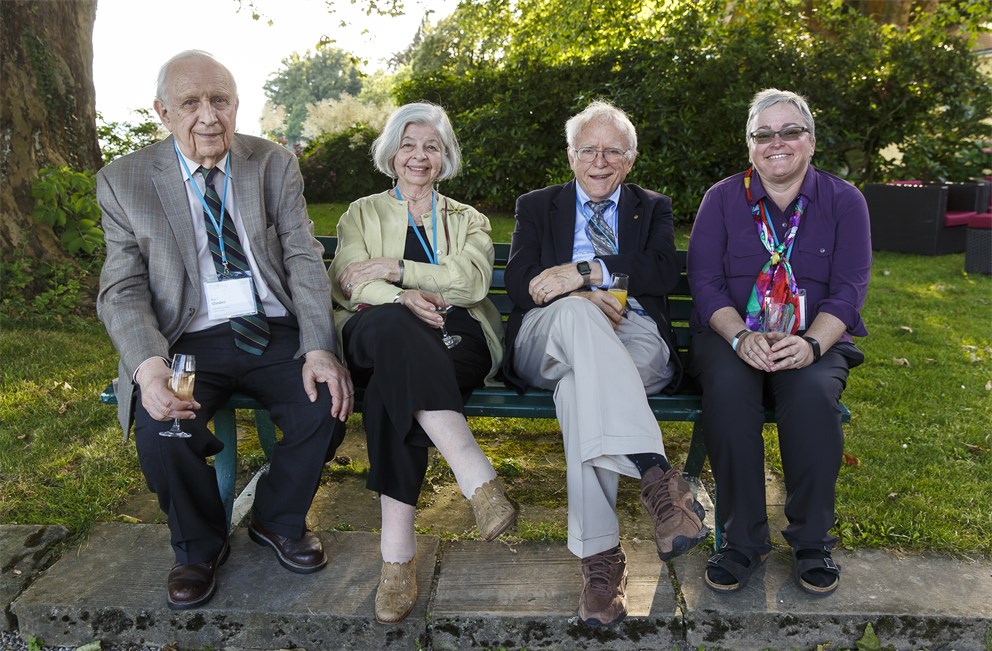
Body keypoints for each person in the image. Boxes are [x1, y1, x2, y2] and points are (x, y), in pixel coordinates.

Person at [96, 50, 354, 611]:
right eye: (191, 103)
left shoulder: (272, 163)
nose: (209, 116)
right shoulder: (124, 181)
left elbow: (303, 258)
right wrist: (148, 365)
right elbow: (123, 290)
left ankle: (276, 518)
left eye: (221, 100)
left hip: (271, 326)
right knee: (165, 426)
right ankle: (197, 546)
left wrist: (317, 346)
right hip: (185, 340)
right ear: (163, 113)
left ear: (237, 104)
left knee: (325, 403)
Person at [502, 100, 708, 628]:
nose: (599, 160)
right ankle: (655, 474)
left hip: (634, 335)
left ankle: (601, 563)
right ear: (571, 157)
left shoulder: (652, 206)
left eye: (612, 151)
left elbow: (661, 270)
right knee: (576, 317)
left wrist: (585, 271)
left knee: (580, 393)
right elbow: (520, 277)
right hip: (549, 335)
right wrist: (574, 297)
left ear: (630, 160)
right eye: (588, 149)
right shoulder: (537, 204)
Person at [328, 102, 516, 624]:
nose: (419, 155)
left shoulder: (467, 219)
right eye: (408, 144)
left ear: (445, 157)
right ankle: (477, 477)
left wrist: (397, 268)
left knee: (398, 387)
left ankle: (397, 560)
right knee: (397, 331)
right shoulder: (360, 214)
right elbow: (348, 280)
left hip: (459, 337)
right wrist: (400, 297)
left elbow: (471, 281)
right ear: (391, 153)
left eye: (431, 146)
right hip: (375, 328)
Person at [687, 88, 870, 597]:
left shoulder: (844, 201)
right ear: (750, 147)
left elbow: (851, 289)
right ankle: (740, 543)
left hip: (813, 340)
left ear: (810, 141)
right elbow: (704, 283)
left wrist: (811, 345)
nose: (777, 143)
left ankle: (812, 542)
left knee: (810, 394)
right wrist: (740, 336)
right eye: (763, 134)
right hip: (731, 338)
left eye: (790, 131)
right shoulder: (721, 200)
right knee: (727, 393)